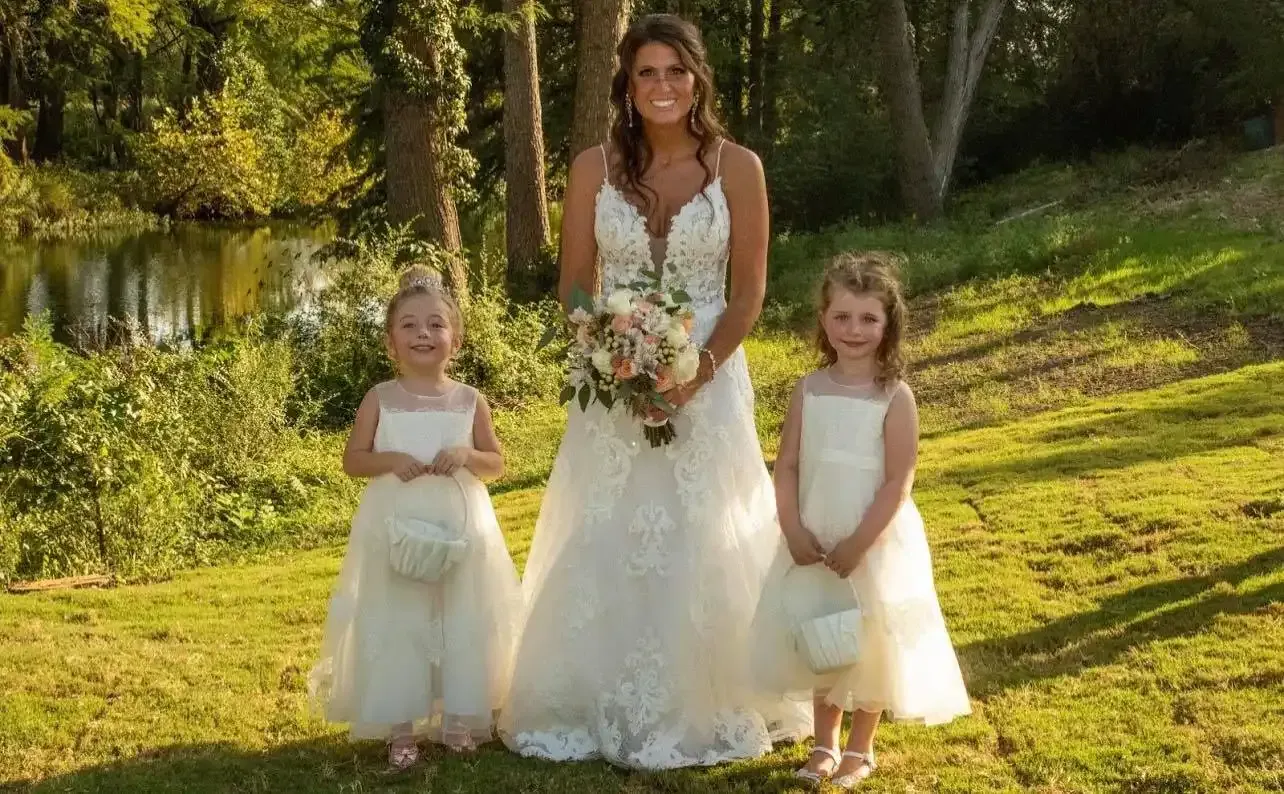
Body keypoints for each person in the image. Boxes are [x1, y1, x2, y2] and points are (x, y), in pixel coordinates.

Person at [498, 13, 811, 770]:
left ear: (698, 79)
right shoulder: (589, 168)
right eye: (647, 74)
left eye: (676, 71)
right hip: (611, 379)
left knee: (706, 528)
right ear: (627, 87)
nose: (662, 86)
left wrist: (692, 373)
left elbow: (748, 294)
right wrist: (612, 354)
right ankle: (592, 694)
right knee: (611, 527)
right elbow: (575, 283)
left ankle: (715, 697)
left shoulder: (740, 168)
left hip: (711, 371)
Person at [753, 252, 971, 788]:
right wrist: (792, 526)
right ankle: (823, 743)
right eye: (843, 317)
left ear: (888, 325)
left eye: (868, 318)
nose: (854, 329)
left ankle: (859, 748)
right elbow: (787, 464)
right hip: (814, 528)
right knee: (819, 633)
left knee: (870, 638)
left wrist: (860, 542)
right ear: (824, 321)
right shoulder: (809, 389)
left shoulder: (895, 397)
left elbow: (898, 480)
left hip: (870, 537)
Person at [308, 266, 523, 770]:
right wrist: (390, 461)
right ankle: (400, 726)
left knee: (457, 615)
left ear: (457, 338)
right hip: (395, 526)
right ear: (391, 341)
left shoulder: (471, 400)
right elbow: (352, 460)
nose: (423, 334)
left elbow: (497, 463)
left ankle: (457, 718)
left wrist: (466, 455)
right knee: (401, 616)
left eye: (435, 324)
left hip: (458, 526)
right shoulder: (379, 399)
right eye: (409, 325)